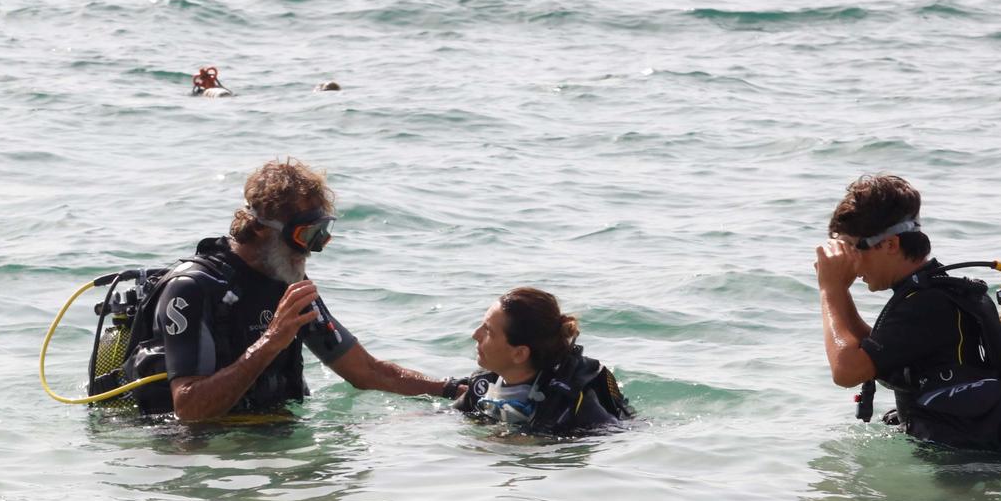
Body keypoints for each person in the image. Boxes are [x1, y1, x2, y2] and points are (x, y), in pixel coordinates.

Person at [126, 157, 454, 421]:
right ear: (258, 230)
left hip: (268, 442)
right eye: (304, 236)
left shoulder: (291, 286)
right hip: (198, 456)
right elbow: (189, 410)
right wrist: (271, 341)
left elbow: (366, 372)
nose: (312, 249)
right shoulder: (191, 290)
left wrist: (455, 389)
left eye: (321, 233)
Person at [815, 173, 1001, 455]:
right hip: (966, 463)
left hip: (961, 477)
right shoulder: (934, 293)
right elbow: (878, 357)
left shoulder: (926, 303)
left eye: (851, 249)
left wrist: (830, 289)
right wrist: (840, 291)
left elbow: (846, 371)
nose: (849, 264)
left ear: (890, 244)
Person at [449, 288, 631, 436]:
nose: (475, 334)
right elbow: (447, 418)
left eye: (488, 331)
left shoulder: (571, 405)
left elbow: (618, 437)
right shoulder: (485, 383)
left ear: (519, 354)